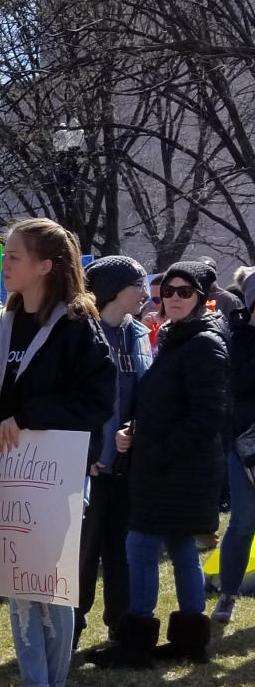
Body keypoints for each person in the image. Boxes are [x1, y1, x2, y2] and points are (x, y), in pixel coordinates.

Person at [0, 218, 115, 687]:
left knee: (50, 588)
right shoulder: (3, 322)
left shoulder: (78, 326)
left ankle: (54, 680)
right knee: (17, 585)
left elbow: (96, 402)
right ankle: (35, 680)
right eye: (6, 254)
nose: (5, 264)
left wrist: (26, 418)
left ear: (45, 266)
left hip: (57, 475)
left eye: (14, 256)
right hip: (6, 471)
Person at [92, 261, 230, 668]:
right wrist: (136, 428)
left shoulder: (204, 342)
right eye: (167, 290)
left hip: (175, 469)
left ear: (203, 298)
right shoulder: (176, 336)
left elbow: (207, 417)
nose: (172, 297)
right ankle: (189, 640)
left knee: (141, 545)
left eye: (184, 291)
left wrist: (156, 450)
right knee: (182, 548)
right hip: (169, 464)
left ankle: (136, 643)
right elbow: (165, 402)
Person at [74, 256, 153, 648]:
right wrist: (84, 450)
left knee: (121, 552)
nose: (146, 292)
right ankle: (71, 625)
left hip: (127, 467)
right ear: (113, 290)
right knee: (82, 553)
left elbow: (146, 395)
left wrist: (134, 428)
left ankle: (119, 627)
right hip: (85, 466)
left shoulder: (139, 333)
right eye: (138, 283)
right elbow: (73, 398)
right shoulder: (81, 332)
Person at [212, 268, 255, 623]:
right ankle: (227, 593)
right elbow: (238, 386)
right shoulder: (234, 336)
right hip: (244, 446)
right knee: (242, 523)